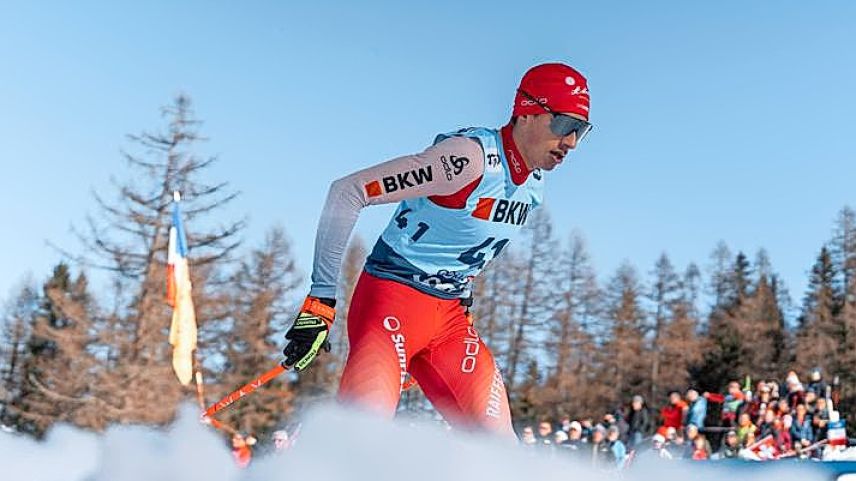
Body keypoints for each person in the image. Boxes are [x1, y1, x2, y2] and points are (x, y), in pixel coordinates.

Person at [280, 62, 592, 437]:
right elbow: (348, 192)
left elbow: (464, 241)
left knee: (501, 448)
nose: (571, 142)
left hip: (449, 323)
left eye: (581, 130)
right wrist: (321, 300)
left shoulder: (534, 184)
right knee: (361, 438)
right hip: (391, 304)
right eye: (564, 124)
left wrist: (464, 291)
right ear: (526, 111)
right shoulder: (466, 161)